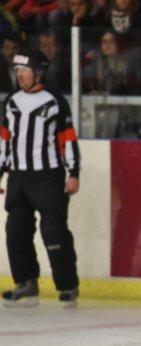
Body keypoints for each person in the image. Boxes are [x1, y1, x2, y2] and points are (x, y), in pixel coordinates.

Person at [0, 50, 81, 307]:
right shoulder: (11, 101)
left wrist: (74, 172)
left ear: (38, 73)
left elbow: (67, 138)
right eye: (17, 71)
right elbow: (4, 141)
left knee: (53, 230)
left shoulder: (55, 101)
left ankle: (68, 285)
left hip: (48, 176)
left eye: (24, 70)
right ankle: (26, 282)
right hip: (18, 176)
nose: (19, 75)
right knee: (15, 230)